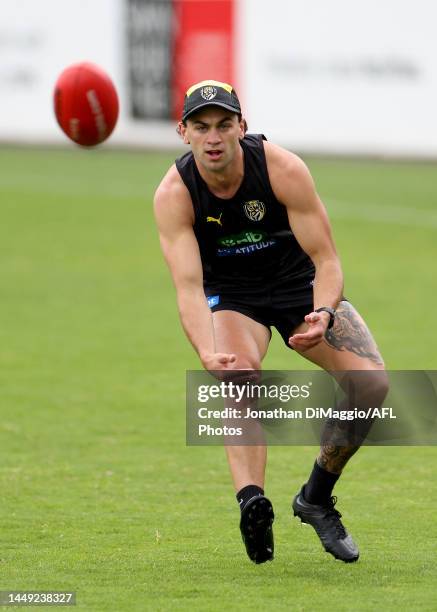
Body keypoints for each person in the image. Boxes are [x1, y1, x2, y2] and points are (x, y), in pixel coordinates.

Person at [154, 80, 387, 564]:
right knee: (238, 376)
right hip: (234, 297)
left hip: (299, 283)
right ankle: (252, 503)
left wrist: (324, 313)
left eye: (223, 124)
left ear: (243, 125)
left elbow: (327, 260)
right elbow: (188, 288)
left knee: (372, 385)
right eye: (201, 127)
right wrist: (205, 349)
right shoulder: (175, 193)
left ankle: (316, 498)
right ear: (183, 132)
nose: (213, 137)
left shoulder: (281, 168)